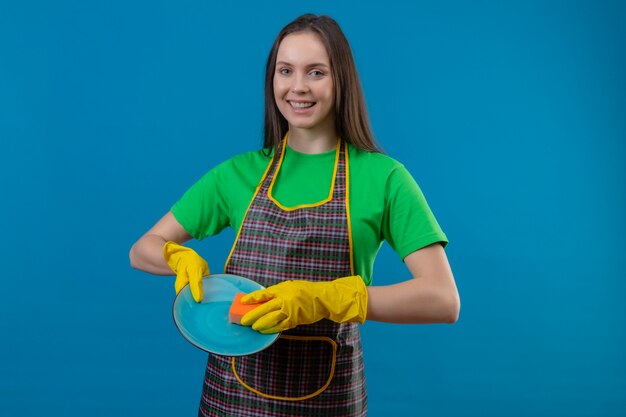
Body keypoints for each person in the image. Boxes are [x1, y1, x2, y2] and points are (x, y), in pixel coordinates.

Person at [130, 13, 460, 417]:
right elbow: (142, 248)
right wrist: (175, 256)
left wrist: (327, 298)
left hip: (329, 400)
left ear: (342, 80)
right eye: (286, 71)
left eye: (316, 72)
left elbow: (443, 300)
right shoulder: (238, 174)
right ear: (272, 80)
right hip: (231, 400)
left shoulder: (384, 178)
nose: (298, 87)